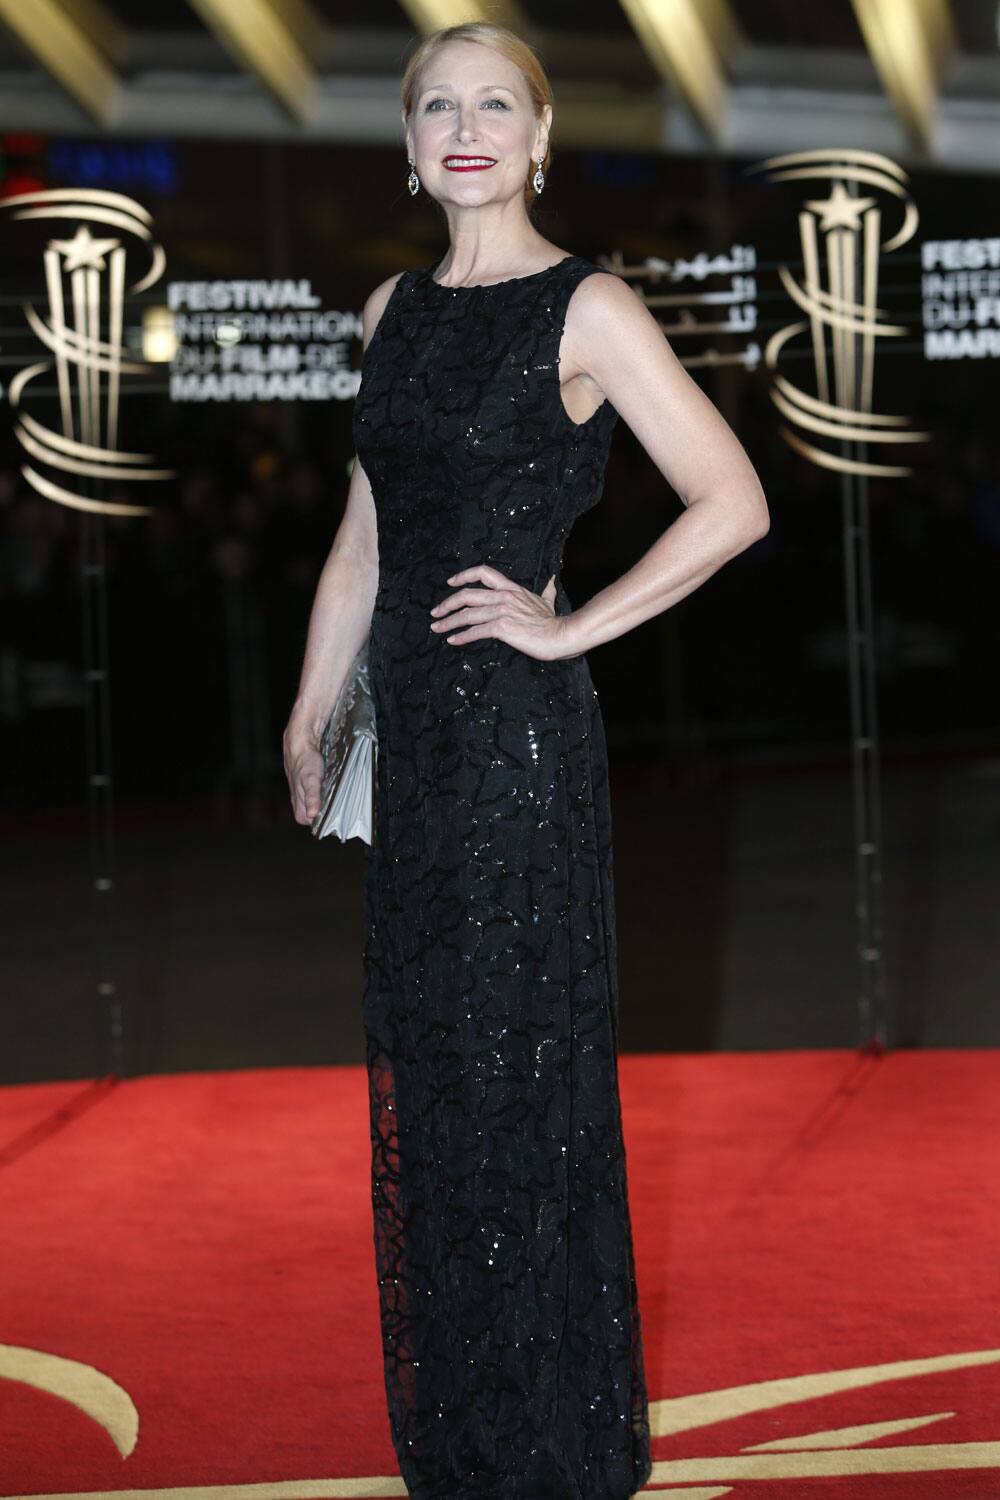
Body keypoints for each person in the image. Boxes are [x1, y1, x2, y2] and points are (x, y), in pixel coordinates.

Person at [283, 20, 769, 1497]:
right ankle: (472, 1438)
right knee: (433, 1080)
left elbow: (730, 502)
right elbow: (366, 537)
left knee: (516, 1078)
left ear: (541, 136)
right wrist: (313, 713)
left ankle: (547, 1446)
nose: (469, 126)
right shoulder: (393, 315)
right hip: (415, 746)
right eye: (441, 105)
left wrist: (571, 633)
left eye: (498, 103)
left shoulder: (591, 306)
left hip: (514, 747)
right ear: (412, 144)